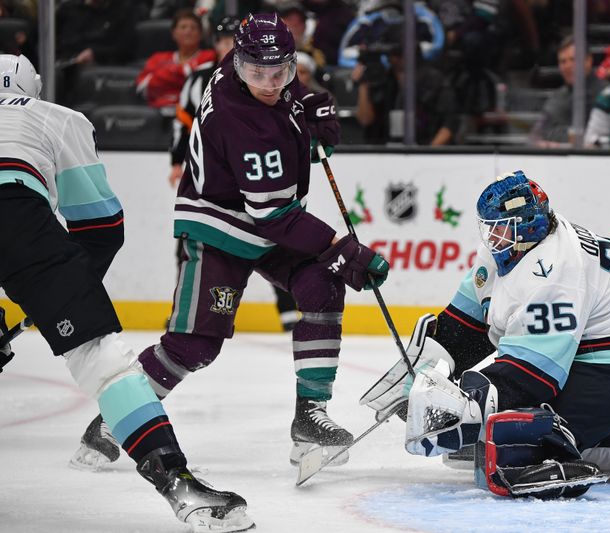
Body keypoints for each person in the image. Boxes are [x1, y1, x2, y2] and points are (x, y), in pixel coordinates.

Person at [70, 12, 390, 470]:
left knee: (322, 285)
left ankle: (309, 420)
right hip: (220, 225)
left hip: (262, 215)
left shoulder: (243, 68)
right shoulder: (246, 125)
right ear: (237, 63)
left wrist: (308, 105)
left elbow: (287, 93)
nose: (268, 81)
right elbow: (277, 217)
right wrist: (344, 249)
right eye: (257, 72)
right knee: (193, 345)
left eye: (279, 71)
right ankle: (111, 421)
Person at [0, 54, 253, 532]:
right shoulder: (56, 117)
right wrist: (57, 300)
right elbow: (99, 228)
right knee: (104, 360)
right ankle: (178, 483)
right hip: (18, 214)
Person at [361, 170, 610, 499]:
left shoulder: (555, 269)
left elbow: (533, 375)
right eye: (489, 228)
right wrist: (421, 374)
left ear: (528, 226)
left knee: (509, 435)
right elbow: (464, 326)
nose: (492, 237)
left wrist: (465, 404)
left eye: (502, 228)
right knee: (491, 423)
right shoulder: (507, 249)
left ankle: (576, 444)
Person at [168, 16, 301, 332]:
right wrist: (176, 160)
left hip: (254, 169)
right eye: (222, 40)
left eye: (232, 40)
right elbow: (183, 124)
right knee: (194, 243)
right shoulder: (200, 80)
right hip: (215, 176)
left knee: (271, 232)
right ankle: (188, 308)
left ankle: (286, 308)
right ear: (216, 45)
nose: (227, 45)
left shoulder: (265, 78)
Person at [353, 22, 459, 145]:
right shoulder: (385, 80)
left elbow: (449, 124)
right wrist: (363, 85)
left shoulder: (434, 79)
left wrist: (427, 155)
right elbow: (365, 119)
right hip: (389, 153)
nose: (395, 57)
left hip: (427, 148)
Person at [530, 35, 607, 148]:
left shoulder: (607, 95)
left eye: (573, 60)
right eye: (563, 61)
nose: (568, 66)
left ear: (589, 61)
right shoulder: (557, 98)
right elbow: (536, 134)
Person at [136, 8, 216, 110]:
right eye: (183, 27)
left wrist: (163, 76)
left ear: (200, 34)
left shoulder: (210, 56)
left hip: (193, 112)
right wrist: (181, 72)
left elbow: (201, 86)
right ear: (174, 33)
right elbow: (143, 88)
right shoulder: (157, 58)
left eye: (193, 28)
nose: (188, 31)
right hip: (158, 112)